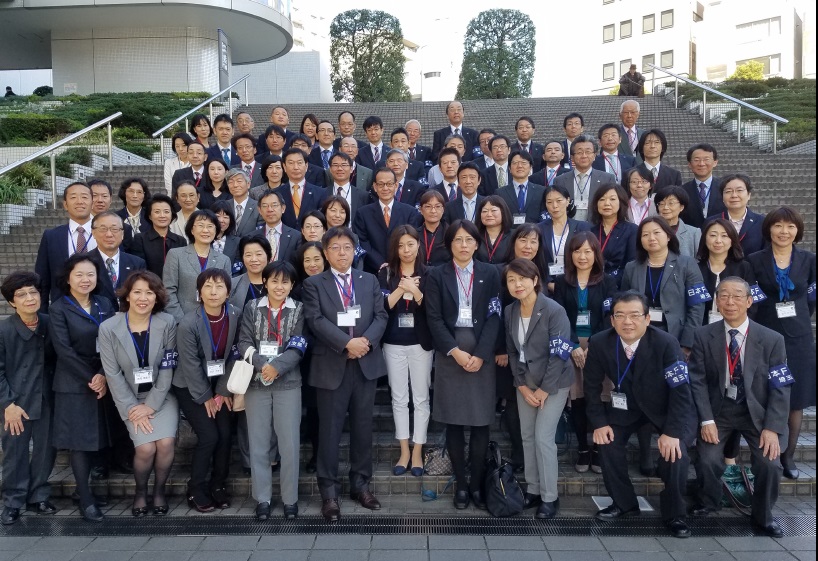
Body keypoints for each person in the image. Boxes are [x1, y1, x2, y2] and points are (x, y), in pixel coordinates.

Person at [584, 291, 696, 538]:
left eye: (635, 315)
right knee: (607, 443)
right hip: (626, 408)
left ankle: (675, 514)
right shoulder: (600, 342)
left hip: (666, 409)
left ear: (647, 319)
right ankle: (624, 504)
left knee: (676, 453)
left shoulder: (666, 343)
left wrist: (671, 432)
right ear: (612, 320)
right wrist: (599, 424)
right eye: (620, 315)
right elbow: (591, 388)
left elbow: (681, 392)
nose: (627, 322)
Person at [689, 277, 791, 538]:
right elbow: (697, 380)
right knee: (707, 459)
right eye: (723, 296)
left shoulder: (772, 339)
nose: (730, 302)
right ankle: (709, 502)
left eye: (736, 296)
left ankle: (763, 516)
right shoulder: (703, 335)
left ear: (749, 301)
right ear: (716, 301)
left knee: (770, 464)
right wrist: (706, 420)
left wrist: (772, 428)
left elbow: (781, 387)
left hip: (757, 412)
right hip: (719, 410)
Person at [301, 226, 388, 522]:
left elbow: (381, 316)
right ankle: (329, 493)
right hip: (331, 364)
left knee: (363, 428)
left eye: (347, 247)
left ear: (354, 251)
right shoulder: (314, 283)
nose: (342, 253)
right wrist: (346, 343)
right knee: (329, 432)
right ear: (326, 253)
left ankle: (360, 485)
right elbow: (315, 320)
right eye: (335, 248)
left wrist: (365, 343)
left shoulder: (369, 280)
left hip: (365, 364)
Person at [425, 220, 501, 510]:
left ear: (477, 244)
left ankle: (477, 485)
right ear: (449, 244)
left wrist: (481, 354)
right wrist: (454, 351)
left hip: (481, 351)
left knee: (481, 422)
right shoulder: (436, 274)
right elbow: (433, 318)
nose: (464, 245)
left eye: (469, 240)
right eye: (457, 240)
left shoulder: (490, 273)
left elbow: (494, 315)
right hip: (450, 354)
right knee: (454, 422)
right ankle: (460, 485)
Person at [98, 271, 178, 517]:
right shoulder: (108, 328)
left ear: (157, 297)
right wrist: (133, 408)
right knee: (145, 449)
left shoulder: (167, 322)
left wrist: (151, 406)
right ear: (127, 296)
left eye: (149, 293)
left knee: (165, 443)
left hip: (161, 397)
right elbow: (112, 374)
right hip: (129, 399)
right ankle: (141, 492)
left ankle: (159, 491)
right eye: (137, 292)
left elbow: (168, 367)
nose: (143, 298)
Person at [747, 206, 816, 480]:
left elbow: (812, 296)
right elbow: (752, 296)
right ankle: (767, 452)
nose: (783, 231)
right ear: (769, 229)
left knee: (794, 398)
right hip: (765, 330)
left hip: (799, 337)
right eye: (778, 226)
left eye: (790, 226)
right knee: (764, 391)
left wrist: (798, 315)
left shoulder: (809, 260)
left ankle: (788, 456)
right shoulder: (755, 260)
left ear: (797, 230)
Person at [504, 258, 573, 518]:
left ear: (535, 280)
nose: (517, 284)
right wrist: (521, 385)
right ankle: (533, 489)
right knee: (527, 436)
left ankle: (549, 497)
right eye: (511, 280)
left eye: (522, 279)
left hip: (553, 383)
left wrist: (544, 390)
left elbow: (560, 354)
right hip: (526, 381)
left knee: (543, 438)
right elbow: (512, 352)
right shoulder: (510, 311)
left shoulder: (554, 310)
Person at [48, 253, 115, 522]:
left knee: (96, 439)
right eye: (79, 275)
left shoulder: (104, 303)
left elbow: (113, 341)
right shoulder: (58, 308)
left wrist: (103, 374)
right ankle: (85, 499)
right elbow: (63, 351)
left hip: (102, 375)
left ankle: (85, 491)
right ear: (68, 278)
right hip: (74, 383)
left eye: (90, 274)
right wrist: (93, 378)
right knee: (79, 442)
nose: (85, 279)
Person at [238, 261, 306, 520]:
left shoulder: (299, 309)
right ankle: (263, 499)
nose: (279, 286)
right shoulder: (252, 307)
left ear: (292, 285)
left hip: (288, 383)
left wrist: (277, 367)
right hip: (256, 384)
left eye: (285, 282)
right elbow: (243, 341)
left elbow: (299, 344)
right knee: (258, 443)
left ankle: (290, 500)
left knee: (289, 444)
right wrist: (261, 364)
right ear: (265, 282)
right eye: (274, 281)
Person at [172, 269, 239, 512]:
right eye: (208, 286)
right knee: (209, 436)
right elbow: (189, 364)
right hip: (190, 386)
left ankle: (218, 485)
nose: (213, 292)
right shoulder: (188, 322)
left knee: (225, 434)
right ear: (199, 292)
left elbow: (236, 354)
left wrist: (222, 391)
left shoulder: (235, 315)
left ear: (228, 292)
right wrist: (205, 397)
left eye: (219, 286)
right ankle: (196, 488)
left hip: (221, 384)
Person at [553, 232, 618, 474]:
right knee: (578, 397)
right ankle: (583, 448)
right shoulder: (562, 282)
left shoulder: (608, 282)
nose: (582, 256)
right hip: (571, 344)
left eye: (588, 251)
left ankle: (600, 449)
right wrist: (572, 346)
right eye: (577, 251)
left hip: (600, 344)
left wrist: (593, 345)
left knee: (602, 395)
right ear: (570, 254)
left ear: (596, 254)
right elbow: (559, 316)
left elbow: (609, 317)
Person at [0, 272, 57, 525]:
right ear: (12, 302)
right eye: (21, 294)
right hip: (15, 402)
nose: (29, 298)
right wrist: (7, 404)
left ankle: (38, 496)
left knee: (46, 450)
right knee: (15, 452)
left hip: (46, 397)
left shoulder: (50, 323)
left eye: (33, 292)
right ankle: (13, 501)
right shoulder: (3, 330)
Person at [379, 226, 433, 477]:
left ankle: (418, 450)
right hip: (393, 342)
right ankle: (404, 450)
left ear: (419, 245)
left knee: (421, 398)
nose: (406, 250)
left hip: (421, 343)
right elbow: (383, 307)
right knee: (399, 398)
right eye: (400, 245)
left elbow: (431, 308)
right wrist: (402, 288)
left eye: (410, 244)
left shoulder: (430, 273)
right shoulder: (386, 272)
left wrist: (416, 291)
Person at [621, 216, 706, 355]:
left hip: (675, 334)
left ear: (668, 236)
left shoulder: (687, 264)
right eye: (645, 235)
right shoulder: (631, 267)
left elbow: (697, 306)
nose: (651, 238)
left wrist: (687, 343)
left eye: (656, 232)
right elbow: (624, 303)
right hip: (640, 334)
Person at [292, 241, 328, 474]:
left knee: (320, 411)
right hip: (303, 358)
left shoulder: (333, 285)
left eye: (316, 259)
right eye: (307, 260)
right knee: (308, 409)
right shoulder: (297, 290)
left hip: (328, 356)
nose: (312, 264)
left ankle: (319, 455)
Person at [35, 181, 97, 309]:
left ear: (92, 202)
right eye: (73, 197)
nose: (79, 201)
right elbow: (42, 279)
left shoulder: (107, 233)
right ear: (65, 204)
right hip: (62, 308)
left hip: (100, 307)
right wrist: (42, 313)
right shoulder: (51, 236)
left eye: (84, 197)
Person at [164, 210, 232, 322]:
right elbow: (168, 290)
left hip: (213, 319)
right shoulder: (176, 255)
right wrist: (181, 320)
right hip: (183, 318)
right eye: (200, 225)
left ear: (216, 230)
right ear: (192, 230)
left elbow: (226, 292)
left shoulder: (224, 260)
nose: (205, 230)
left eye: (210, 226)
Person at [353, 168, 420, 274]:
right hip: (373, 271)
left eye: (389, 184)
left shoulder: (410, 212)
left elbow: (412, 240)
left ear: (396, 185)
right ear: (375, 187)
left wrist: (396, 263)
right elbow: (363, 242)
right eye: (381, 184)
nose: (385, 188)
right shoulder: (363, 213)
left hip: (403, 269)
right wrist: (381, 264)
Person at [696, 218, 755, 326]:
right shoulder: (695, 268)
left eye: (724, 236)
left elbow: (753, 303)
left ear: (732, 240)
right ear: (704, 239)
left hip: (736, 327)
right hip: (701, 328)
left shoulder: (744, 267)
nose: (718, 240)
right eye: (713, 235)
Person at [89, 211, 147, 310]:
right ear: (93, 233)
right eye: (103, 229)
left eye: (114, 229)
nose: (109, 234)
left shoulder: (137, 263)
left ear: (122, 233)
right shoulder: (83, 262)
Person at [538, 185, 592, 287]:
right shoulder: (539, 229)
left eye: (559, 201)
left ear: (567, 201)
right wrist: (547, 284)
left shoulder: (582, 227)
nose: (554, 206)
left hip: (575, 283)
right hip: (547, 284)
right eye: (549, 202)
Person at [553, 135, 616, 222]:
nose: (584, 155)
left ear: (594, 156)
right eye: (579, 152)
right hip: (568, 225)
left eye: (588, 152)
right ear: (572, 157)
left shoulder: (607, 179)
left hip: (597, 225)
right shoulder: (560, 180)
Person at [589, 184, 637, 286]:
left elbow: (632, 264)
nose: (607, 203)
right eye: (602, 199)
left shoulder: (632, 230)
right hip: (592, 283)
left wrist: (610, 283)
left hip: (620, 284)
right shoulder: (590, 231)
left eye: (612, 199)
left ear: (621, 202)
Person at [131, 194, 187, 279]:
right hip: (149, 284)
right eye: (157, 212)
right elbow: (139, 269)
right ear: (150, 216)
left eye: (166, 212)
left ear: (172, 214)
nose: (162, 215)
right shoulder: (140, 239)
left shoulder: (180, 241)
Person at [710, 173, 765, 256]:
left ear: (749, 195)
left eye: (739, 190)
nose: (734, 195)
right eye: (728, 191)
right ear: (722, 197)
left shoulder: (762, 222)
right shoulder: (712, 222)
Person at [275, 148, 328, 230]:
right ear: (284, 167)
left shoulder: (320, 193)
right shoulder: (276, 193)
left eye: (299, 163)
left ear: (306, 166)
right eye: (291, 163)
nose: (296, 167)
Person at [680, 143, 724, 228]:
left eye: (706, 159)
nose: (701, 163)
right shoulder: (682, 191)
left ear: (715, 162)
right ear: (689, 164)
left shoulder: (725, 188)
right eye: (696, 160)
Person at [497, 150, 545, 226]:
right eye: (515, 163)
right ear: (509, 168)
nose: (519, 166)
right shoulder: (500, 193)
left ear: (530, 167)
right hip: (509, 232)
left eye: (524, 163)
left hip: (534, 231)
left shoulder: (541, 191)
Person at [258, 189, 303, 264]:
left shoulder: (296, 236)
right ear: (259, 210)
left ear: (283, 208)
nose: (270, 209)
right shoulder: (252, 237)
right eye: (265, 206)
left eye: (274, 205)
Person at [655, 186, 701, 259]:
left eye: (671, 203)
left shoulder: (694, 233)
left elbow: (699, 260)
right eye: (661, 204)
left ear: (681, 207)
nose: (665, 207)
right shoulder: (650, 231)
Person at [325, 152, 371, 222]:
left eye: (344, 165)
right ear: (330, 169)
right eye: (335, 165)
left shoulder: (363, 196)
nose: (340, 168)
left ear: (351, 169)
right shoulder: (322, 193)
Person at [475, 195, 513, 265]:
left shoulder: (514, 236)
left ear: (503, 212)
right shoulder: (474, 236)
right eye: (485, 211)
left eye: (493, 210)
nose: (489, 214)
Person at [224, 168, 261, 238]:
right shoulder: (224, 206)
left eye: (239, 181)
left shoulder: (258, 207)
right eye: (231, 182)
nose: (235, 185)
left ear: (248, 184)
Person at [417, 190, 451, 267]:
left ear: (443, 209)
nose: (433, 211)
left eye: (437, 206)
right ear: (421, 210)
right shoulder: (414, 234)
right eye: (428, 206)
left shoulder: (451, 233)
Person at [209, 201, 241, 274]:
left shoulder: (237, 242)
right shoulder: (202, 239)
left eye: (226, 217)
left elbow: (238, 268)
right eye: (217, 216)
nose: (221, 220)